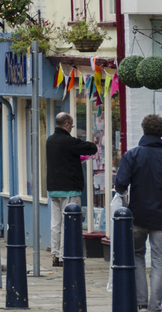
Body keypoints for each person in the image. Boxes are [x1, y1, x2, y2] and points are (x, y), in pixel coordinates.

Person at [115, 114, 162, 312]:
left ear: (144, 130)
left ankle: (141, 303)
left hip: (137, 216)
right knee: (158, 261)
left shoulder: (132, 155)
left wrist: (124, 198)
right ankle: (155, 307)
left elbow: (120, 183)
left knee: (137, 256)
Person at [46, 112, 98, 266]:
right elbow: (91, 148)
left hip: (53, 188)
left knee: (55, 223)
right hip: (68, 188)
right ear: (67, 124)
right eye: (72, 125)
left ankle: (55, 254)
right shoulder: (68, 141)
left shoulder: (50, 140)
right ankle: (63, 256)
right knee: (66, 223)